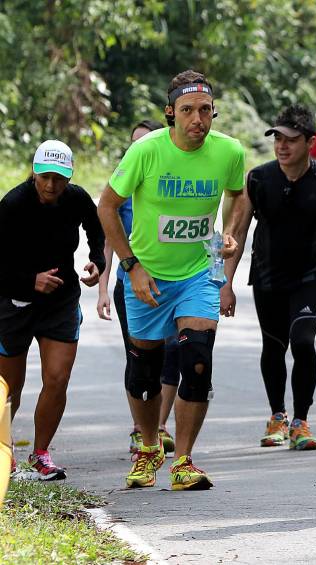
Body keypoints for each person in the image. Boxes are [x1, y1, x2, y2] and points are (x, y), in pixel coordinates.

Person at [97, 70, 246, 490]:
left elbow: (238, 193)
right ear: (170, 114)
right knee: (143, 371)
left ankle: (183, 460)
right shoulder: (145, 152)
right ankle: (148, 447)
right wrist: (131, 266)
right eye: (187, 111)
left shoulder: (229, 152)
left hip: (198, 273)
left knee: (196, 361)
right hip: (147, 276)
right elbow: (107, 208)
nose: (197, 119)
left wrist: (230, 229)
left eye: (205, 110)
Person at [224, 104, 316, 452]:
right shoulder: (258, 179)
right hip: (267, 277)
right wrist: (226, 283)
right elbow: (237, 233)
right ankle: (277, 415)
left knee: (303, 340)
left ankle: (301, 422)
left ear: (311, 142)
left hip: (312, 275)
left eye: (291, 140)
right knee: (274, 346)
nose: (282, 146)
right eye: (277, 138)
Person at [0, 140, 105, 480]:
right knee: (8, 386)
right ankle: (5, 454)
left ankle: (41, 454)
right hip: (15, 300)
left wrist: (97, 260)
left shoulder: (75, 198)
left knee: (57, 378)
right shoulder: (13, 204)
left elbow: (95, 225)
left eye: (59, 178)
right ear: (33, 172)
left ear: (69, 178)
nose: (50, 185)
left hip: (60, 301)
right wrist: (31, 280)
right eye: (44, 176)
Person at [96, 119, 180, 457]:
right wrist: (102, 289)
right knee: (141, 358)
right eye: (133, 143)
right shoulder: (122, 184)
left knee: (174, 352)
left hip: (174, 282)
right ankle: (140, 429)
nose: (138, 147)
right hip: (129, 282)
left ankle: (159, 426)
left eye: (145, 141)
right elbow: (105, 243)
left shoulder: (172, 179)